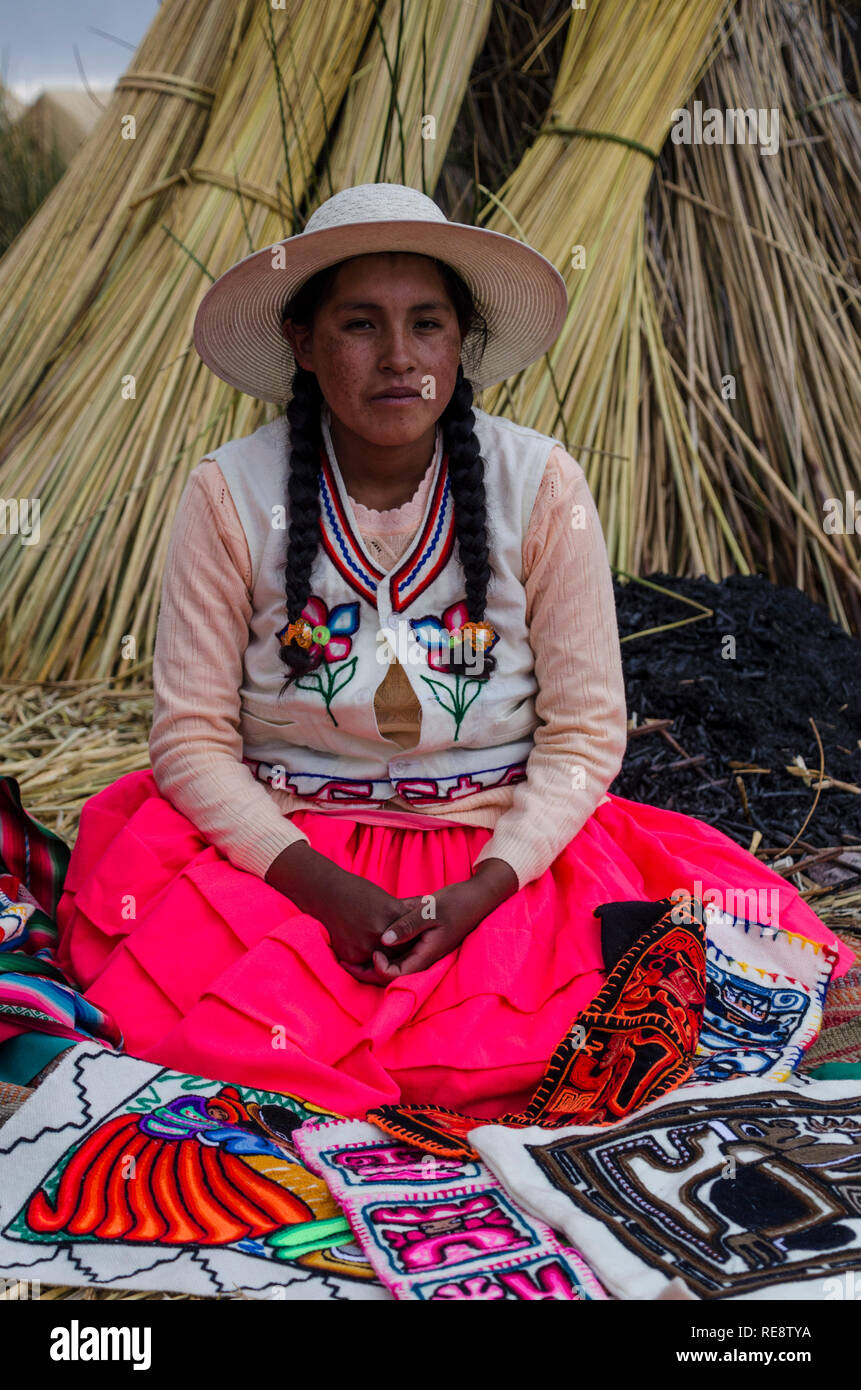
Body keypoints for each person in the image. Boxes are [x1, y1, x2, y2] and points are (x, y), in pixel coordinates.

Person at [54, 183, 853, 1120]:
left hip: (499, 848)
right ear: (303, 347)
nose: (398, 358)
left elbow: (587, 733)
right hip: (282, 852)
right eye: (359, 324)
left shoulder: (540, 485)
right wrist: (319, 890)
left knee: (595, 1027)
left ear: (459, 345)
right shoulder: (229, 494)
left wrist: (483, 891)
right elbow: (189, 740)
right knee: (231, 1024)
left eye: (426, 324)